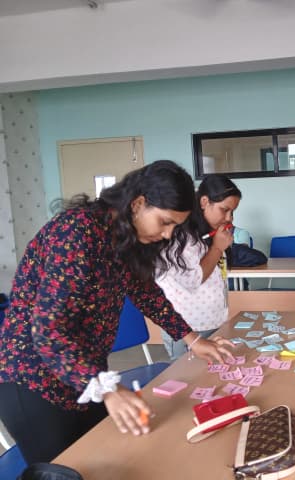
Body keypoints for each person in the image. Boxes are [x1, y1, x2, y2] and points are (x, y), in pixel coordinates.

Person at [0, 160, 235, 465]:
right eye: (165, 222)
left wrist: (192, 339)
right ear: (138, 203)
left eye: (175, 226)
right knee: (65, 469)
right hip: (33, 378)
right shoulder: (76, 232)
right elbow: (48, 331)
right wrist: (103, 387)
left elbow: (147, 293)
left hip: (85, 371)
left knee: (107, 454)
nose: (167, 235)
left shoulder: (126, 238)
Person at [156, 174, 240, 361]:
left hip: (213, 320)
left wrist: (218, 246)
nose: (229, 218)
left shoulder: (209, 234)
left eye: (232, 212)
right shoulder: (180, 235)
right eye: (224, 210)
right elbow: (194, 280)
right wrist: (218, 248)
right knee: (186, 379)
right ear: (204, 201)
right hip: (187, 327)